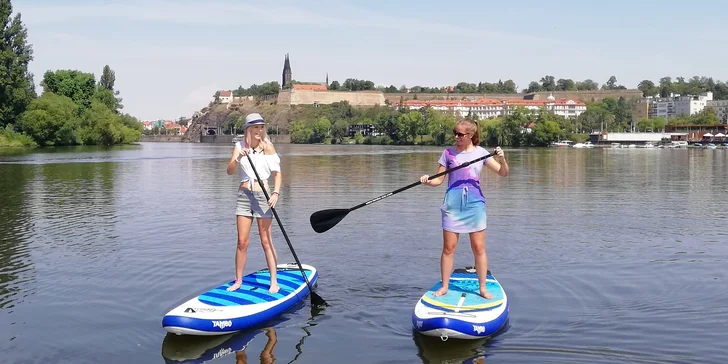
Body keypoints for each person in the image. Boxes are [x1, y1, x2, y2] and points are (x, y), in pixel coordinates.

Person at [419, 118, 509, 299]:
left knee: (478, 248)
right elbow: (438, 180)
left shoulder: (481, 153)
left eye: (460, 134)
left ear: (470, 135)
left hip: (475, 205)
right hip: (452, 205)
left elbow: (503, 172)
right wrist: (428, 181)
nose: (456, 136)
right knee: (448, 248)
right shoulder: (448, 153)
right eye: (455, 132)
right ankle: (444, 287)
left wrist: (502, 159)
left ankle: (482, 288)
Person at [225, 113, 282, 293]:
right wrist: (238, 158)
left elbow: (277, 174)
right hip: (244, 195)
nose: (259, 130)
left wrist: (276, 192)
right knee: (242, 242)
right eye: (255, 127)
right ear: (248, 129)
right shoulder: (239, 146)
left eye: (261, 127)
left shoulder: (268, 148)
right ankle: (238, 280)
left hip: (263, 195)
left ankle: (274, 281)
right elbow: (229, 171)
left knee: (266, 241)